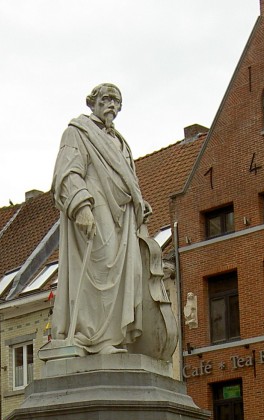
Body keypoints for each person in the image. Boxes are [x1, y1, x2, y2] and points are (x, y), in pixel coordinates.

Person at [46, 83, 176, 360]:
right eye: (106, 99)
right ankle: (93, 336)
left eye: (117, 102)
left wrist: (139, 202)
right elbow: (67, 172)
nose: (112, 106)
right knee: (102, 268)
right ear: (92, 102)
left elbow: (127, 179)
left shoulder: (120, 141)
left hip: (124, 215)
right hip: (96, 205)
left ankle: (115, 337)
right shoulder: (78, 132)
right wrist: (80, 206)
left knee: (127, 274)